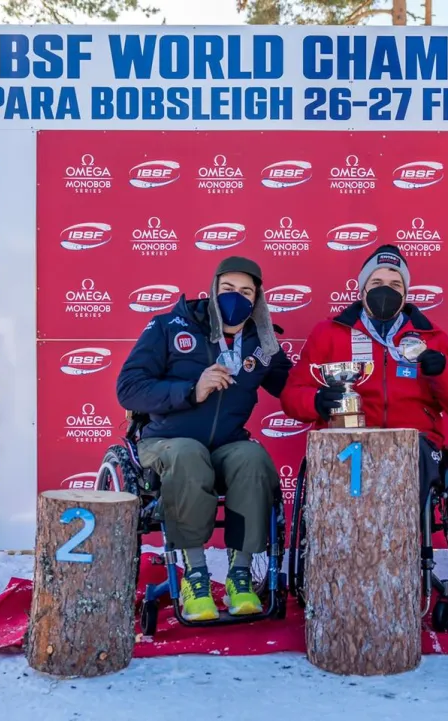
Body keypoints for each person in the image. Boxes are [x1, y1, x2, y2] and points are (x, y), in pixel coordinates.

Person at [116, 256, 292, 621]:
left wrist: (332, 398)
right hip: (166, 442)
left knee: (252, 458)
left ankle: (240, 576)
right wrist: (190, 391)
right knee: (188, 453)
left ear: (257, 298)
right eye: (228, 289)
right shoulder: (168, 326)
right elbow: (129, 389)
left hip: (227, 444)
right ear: (212, 289)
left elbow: (293, 389)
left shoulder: (262, 342)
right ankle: (194, 576)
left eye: (246, 291)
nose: (236, 298)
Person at [281, 244, 448, 504]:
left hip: (415, 441)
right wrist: (316, 401)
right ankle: (338, 540)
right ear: (362, 289)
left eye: (395, 285)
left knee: (412, 454)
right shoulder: (329, 333)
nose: (385, 291)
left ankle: (403, 542)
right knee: (340, 458)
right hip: (348, 439)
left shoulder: (432, 337)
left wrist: (444, 372)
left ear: (406, 293)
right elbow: (291, 396)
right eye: (376, 282)